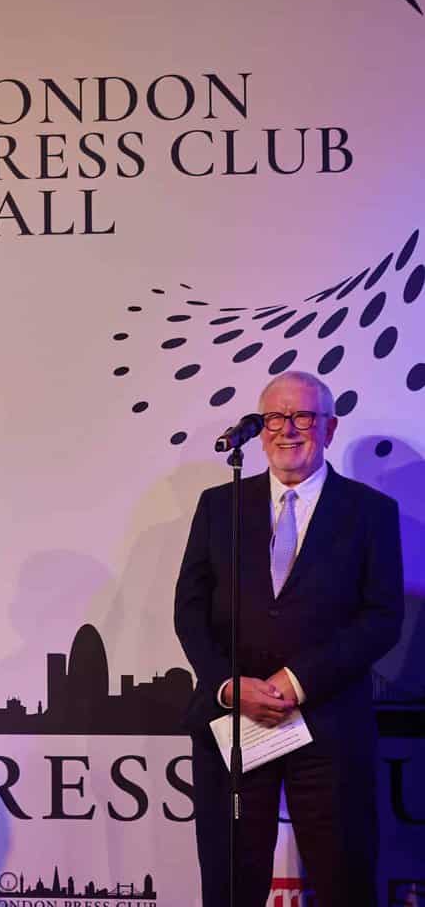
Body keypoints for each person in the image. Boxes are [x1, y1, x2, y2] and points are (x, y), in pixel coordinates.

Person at [174, 370, 403, 906]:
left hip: (328, 725)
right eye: (274, 418)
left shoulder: (370, 512)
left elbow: (382, 617)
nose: (287, 430)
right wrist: (230, 686)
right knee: (230, 885)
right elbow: (189, 610)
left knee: (346, 881)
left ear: (329, 427)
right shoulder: (218, 505)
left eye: (303, 416)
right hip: (233, 724)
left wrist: (295, 683)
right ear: (259, 429)